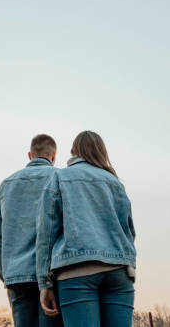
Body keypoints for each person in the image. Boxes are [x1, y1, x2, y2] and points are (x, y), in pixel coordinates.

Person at [35, 130, 136, 327]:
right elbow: (129, 231)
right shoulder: (115, 183)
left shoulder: (59, 179)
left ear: (74, 151)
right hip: (119, 272)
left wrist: (44, 283)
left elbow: (46, 234)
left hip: (76, 272)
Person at [0, 134, 64, 327]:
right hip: (53, 274)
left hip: (16, 274)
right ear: (54, 156)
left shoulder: (6, 185)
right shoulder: (61, 179)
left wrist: (5, 273)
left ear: (30, 155)